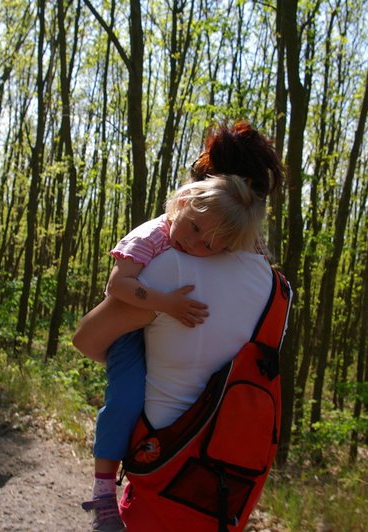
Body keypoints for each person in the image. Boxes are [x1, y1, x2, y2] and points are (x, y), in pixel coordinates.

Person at [74, 119, 285, 531]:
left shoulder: (172, 265)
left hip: (163, 475)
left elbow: (87, 339)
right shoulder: (278, 292)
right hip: (221, 493)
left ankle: (102, 493)